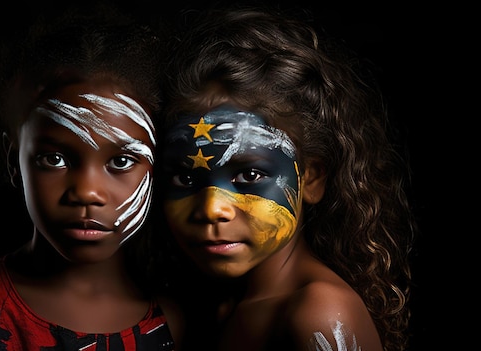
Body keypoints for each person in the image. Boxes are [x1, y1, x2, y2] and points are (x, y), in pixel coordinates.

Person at [0, 3, 183, 351]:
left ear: (157, 167)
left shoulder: (174, 324)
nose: (86, 191)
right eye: (54, 159)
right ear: (14, 160)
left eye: (122, 161)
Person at [154, 4, 416, 351]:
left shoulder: (320, 314)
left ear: (311, 178)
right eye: (185, 180)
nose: (212, 208)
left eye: (249, 174)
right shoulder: (212, 307)